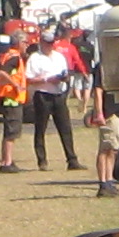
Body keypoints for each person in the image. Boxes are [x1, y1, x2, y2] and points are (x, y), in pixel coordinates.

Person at [24, 30, 83, 171]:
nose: (50, 46)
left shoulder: (59, 57)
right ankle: (42, 160)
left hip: (59, 94)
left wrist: (64, 78)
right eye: (47, 43)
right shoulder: (35, 58)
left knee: (65, 128)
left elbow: (65, 73)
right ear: (41, 42)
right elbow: (29, 79)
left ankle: (72, 160)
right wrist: (46, 79)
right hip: (43, 95)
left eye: (51, 43)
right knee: (40, 129)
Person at [0, 29, 30, 171]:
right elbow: (2, 73)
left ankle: (6, 160)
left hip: (8, 97)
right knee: (12, 132)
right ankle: (7, 162)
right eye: (25, 42)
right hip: (12, 98)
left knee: (8, 132)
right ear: (18, 43)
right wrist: (16, 85)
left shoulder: (8, 55)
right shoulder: (14, 58)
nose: (27, 45)